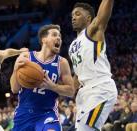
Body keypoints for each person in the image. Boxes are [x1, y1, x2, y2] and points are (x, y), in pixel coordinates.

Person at [10, 24, 75, 131]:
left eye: (60, 36)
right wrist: (15, 69)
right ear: (44, 39)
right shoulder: (27, 57)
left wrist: (52, 86)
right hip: (24, 113)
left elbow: (71, 91)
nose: (58, 38)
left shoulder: (62, 62)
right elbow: (14, 89)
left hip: (47, 113)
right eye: (54, 35)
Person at [68, 1, 118, 131]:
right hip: (84, 93)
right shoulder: (73, 46)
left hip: (100, 88)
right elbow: (77, 74)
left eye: (78, 14)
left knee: (86, 128)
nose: (73, 17)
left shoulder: (92, 31)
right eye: (72, 15)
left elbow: (102, 17)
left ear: (89, 18)